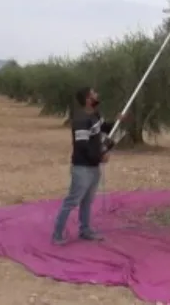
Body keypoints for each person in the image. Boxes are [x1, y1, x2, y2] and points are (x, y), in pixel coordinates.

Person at [52, 86, 126, 245]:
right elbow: (82, 146)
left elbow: (104, 128)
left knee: (87, 201)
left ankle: (85, 230)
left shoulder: (95, 115)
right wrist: (101, 156)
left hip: (93, 167)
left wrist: (117, 122)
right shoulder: (80, 120)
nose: (97, 95)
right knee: (72, 201)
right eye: (94, 94)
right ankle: (57, 234)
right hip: (82, 168)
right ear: (88, 99)